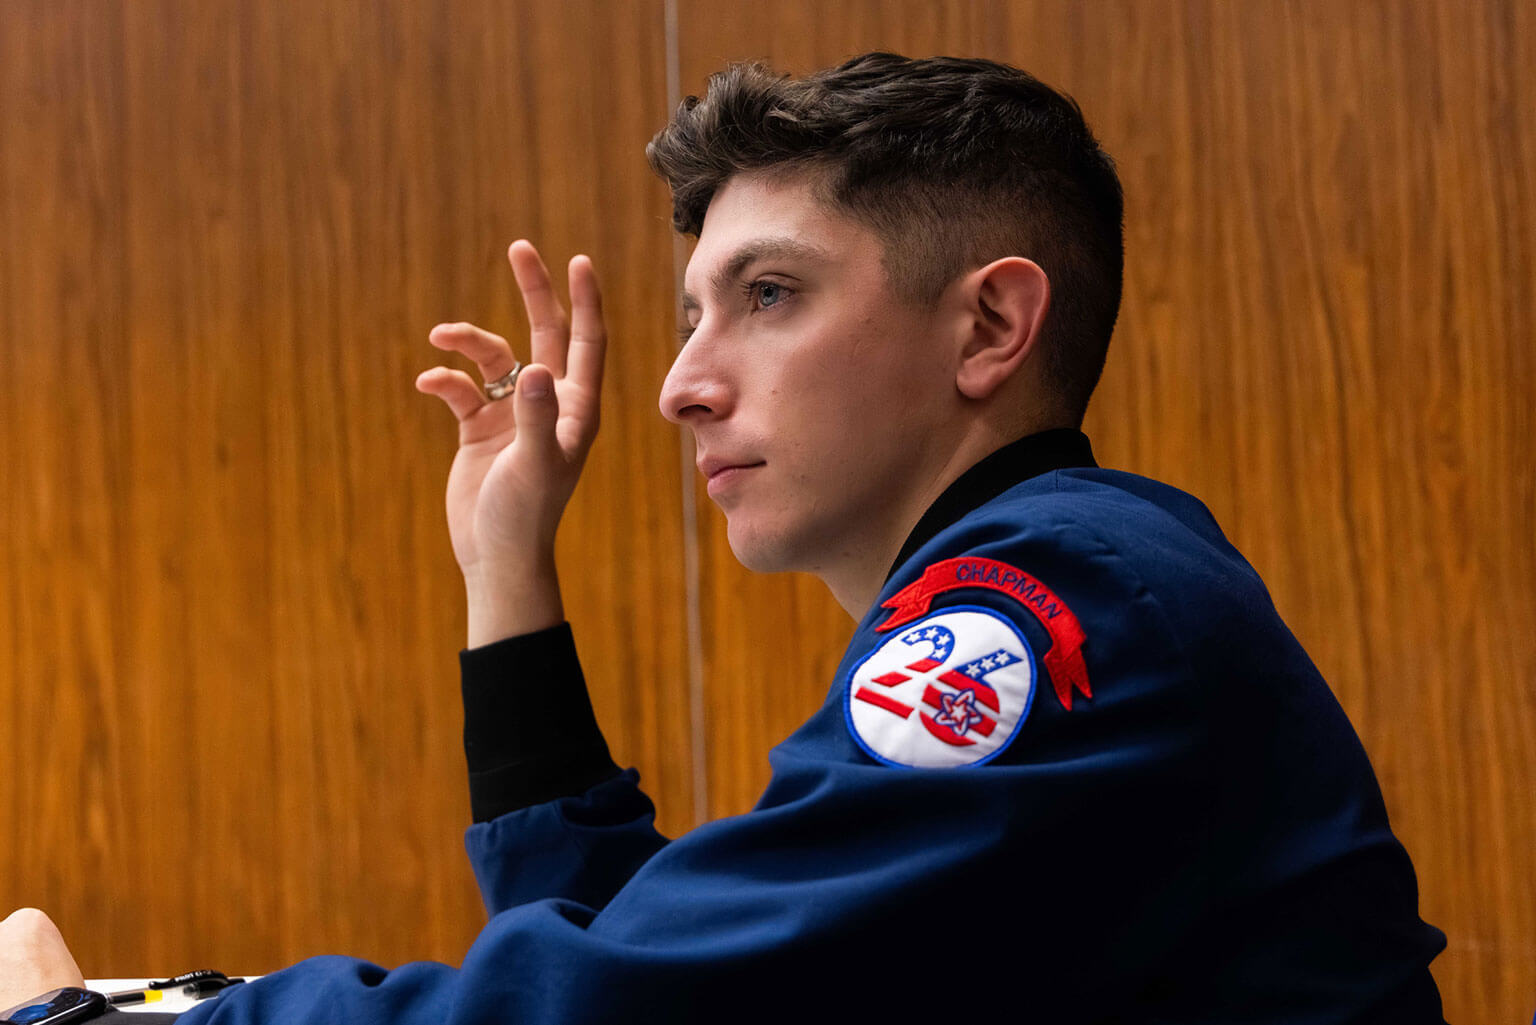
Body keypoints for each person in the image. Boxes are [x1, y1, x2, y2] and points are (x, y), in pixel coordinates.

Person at [1, 52, 1445, 1024]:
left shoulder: (1061, 600)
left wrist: (102, 1021)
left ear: (992, 326)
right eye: (693, 313)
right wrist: (507, 570)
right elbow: (672, 954)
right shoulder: (1089, 584)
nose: (681, 385)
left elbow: (636, 1009)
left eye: (767, 296)